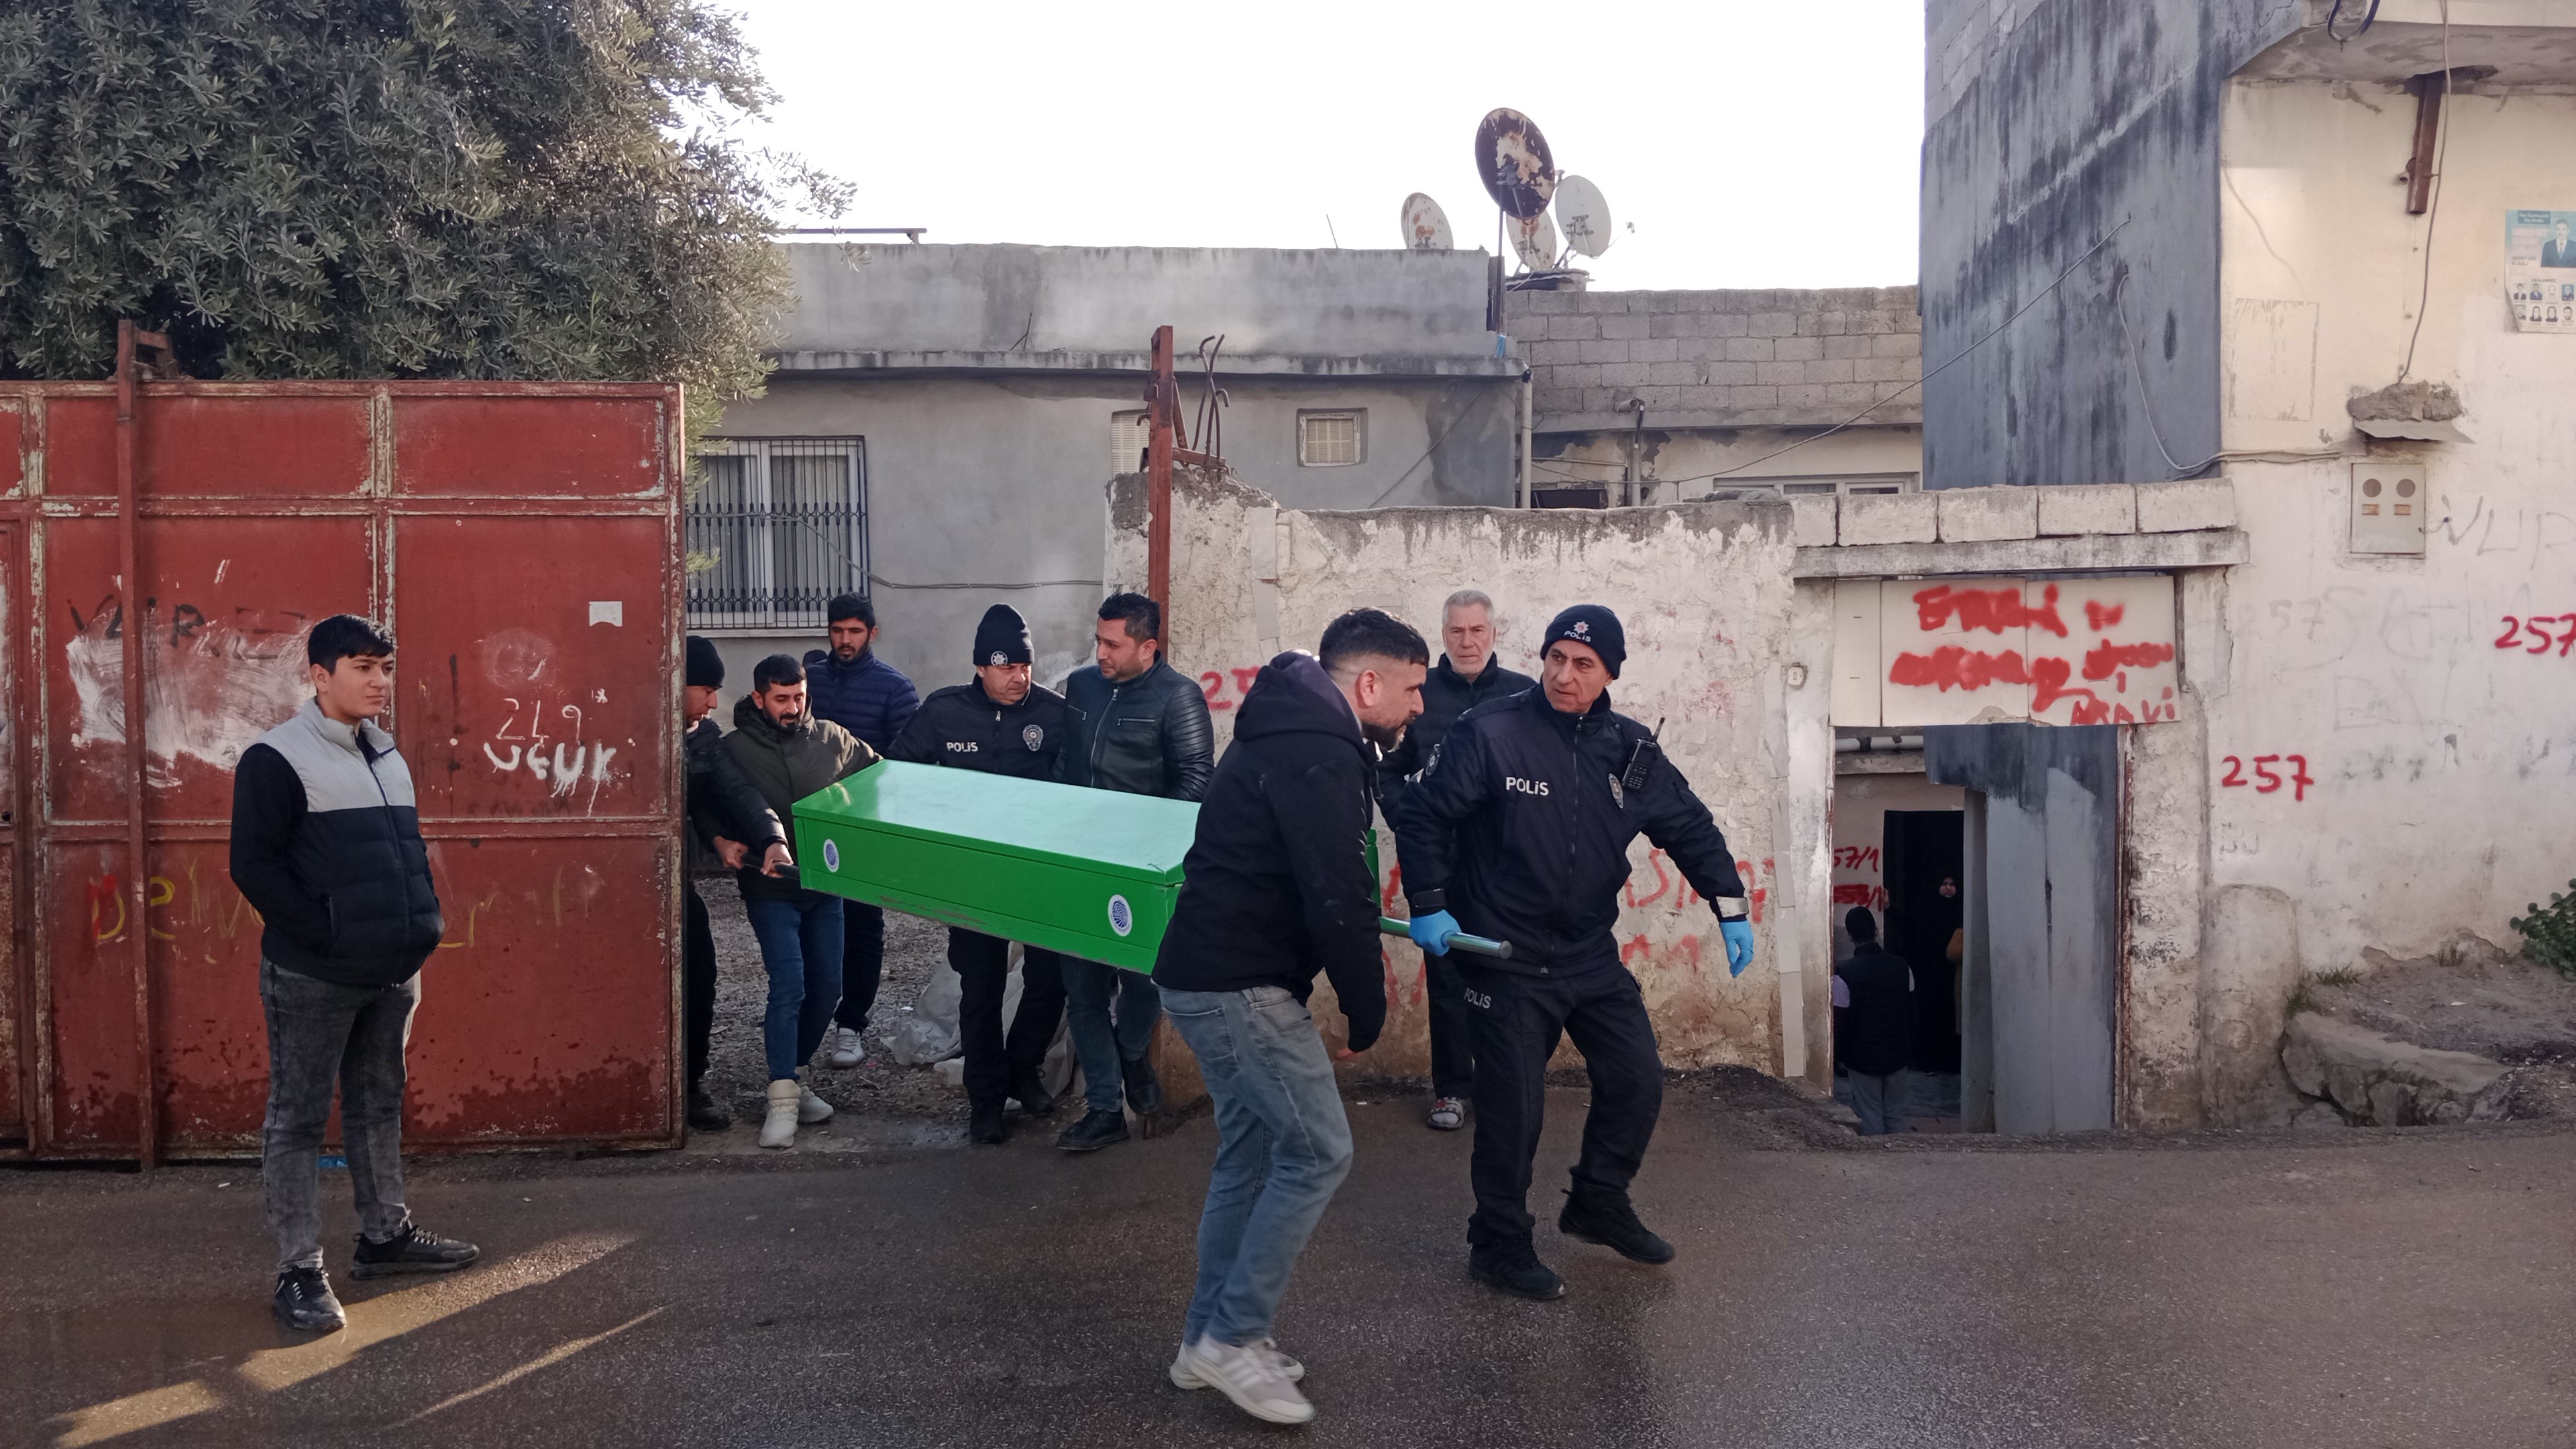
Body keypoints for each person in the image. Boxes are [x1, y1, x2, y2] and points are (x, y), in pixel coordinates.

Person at [1395, 604, 1752, 1301]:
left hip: (1587, 953)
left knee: (1637, 1079)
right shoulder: (1491, 733)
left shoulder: (1631, 750)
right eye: (1555, 658)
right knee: (1515, 1112)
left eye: (1583, 664)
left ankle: (1597, 1201)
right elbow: (1425, 814)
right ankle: (1498, 1245)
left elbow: (1689, 827)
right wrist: (1429, 902)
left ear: (1609, 673)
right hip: (1504, 953)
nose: (1564, 674)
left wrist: (1730, 906)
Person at [1155, 609, 1428, 1425]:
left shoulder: (1286, 726)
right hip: (1239, 985)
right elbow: (1337, 894)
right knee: (1317, 1152)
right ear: (1369, 684)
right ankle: (1234, 1337)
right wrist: (1367, 1011)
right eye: (1413, 689)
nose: (1419, 706)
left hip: (1206, 975)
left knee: (1250, 1152)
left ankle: (1204, 1341)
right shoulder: (1321, 750)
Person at [231, 615, 478, 1334]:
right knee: (298, 1119)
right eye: (363, 667)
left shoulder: (385, 753)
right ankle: (299, 1271)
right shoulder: (277, 757)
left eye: (386, 667)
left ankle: (384, 1237)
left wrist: (418, 927)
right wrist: (327, 935)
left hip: (393, 969)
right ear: (319, 675)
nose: (380, 681)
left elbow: (401, 853)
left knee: (377, 1105)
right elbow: (253, 866)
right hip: (315, 974)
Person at [886, 604, 1073, 1144]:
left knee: (1051, 977)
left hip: (1037, 871)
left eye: (1025, 666)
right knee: (982, 988)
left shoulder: (1055, 714)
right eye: (1006, 667)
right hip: (972, 875)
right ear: (980, 667)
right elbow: (898, 776)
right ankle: (986, 1099)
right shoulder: (944, 712)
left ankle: (1023, 1066)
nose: (1020, 677)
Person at [1053, 591, 1214, 1151]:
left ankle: (1130, 1052)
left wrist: (1145, 843)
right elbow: (1065, 762)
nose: (1100, 653)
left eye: (1112, 644)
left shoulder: (1179, 697)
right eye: (1098, 640)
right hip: (1078, 860)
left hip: (1140, 867)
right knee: (1081, 989)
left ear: (1147, 648)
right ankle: (1104, 1109)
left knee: (1144, 979)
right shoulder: (1082, 686)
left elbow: (1196, 781)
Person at [1378, 588, 1538, 1133]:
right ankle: (1451, 1089)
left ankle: (1507, 1084)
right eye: (1456, 631)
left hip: (1508, 868)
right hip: (1439, 865)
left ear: (1494, 633)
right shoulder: (1418, 694)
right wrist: (1408, 818)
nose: (1467, 642)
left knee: (1512, 979)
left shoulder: (1524, 695)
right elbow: (1386, 769)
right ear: (1443, 634)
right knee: (1447, 980)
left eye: (1477, 631)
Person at [725, 654, 879, 1148]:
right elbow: (722, 801)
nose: (793, 707)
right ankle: (781, 1099)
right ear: (759, 698)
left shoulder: (833, 739)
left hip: (825, 889)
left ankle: (795, 1074)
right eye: (781, 699)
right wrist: (727, 840)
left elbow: (878, 778)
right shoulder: (734, 749)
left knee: (828, 987)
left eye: (799, 697)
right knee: (789, 985)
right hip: (770, 890)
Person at [804, 593, 919, 1071]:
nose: (845, 640)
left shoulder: (895, 689)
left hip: (865, 825)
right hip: (809, 823)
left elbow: (905, 762)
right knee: (808, 922)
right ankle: (805, 1020)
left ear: (873, 633)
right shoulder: (808, 681)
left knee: (862, 927)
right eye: (837, 631)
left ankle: (851, 1024)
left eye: (854, 631)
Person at [682, 636, 789, 1132]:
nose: (713, 702)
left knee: (699, 972)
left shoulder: (703, 737)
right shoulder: (631, 731)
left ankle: (689, 1085)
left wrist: (771, 838)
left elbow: (734, 791)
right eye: (706, 690)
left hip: (676, 887)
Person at [1832, 906, 1914, 1136]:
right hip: (1898, 1054)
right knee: (1895, 1115)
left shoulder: (1844, 974)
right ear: (1877, 931)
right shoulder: (1902, 967)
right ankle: (1899, 1156)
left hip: (1862, 1059)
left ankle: (1877, 1158)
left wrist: (1840, 1058)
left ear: (1850, 936)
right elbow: (1912, 1014)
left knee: (1870, 1116)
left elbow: (1841, 1024)